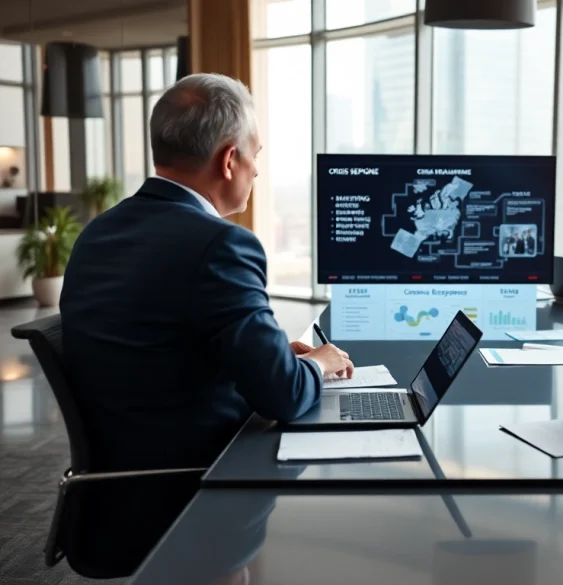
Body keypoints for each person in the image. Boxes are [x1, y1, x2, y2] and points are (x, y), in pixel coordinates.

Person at [61, 73, 354, 473]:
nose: (257, 172)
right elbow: (282, 397)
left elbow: (156, 344)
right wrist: (320, 362)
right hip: (198, 479)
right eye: (256, 156)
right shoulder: (221, 245)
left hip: (121, 477)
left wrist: (270, 357)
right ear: (230, 160)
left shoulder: (97, 232)